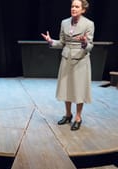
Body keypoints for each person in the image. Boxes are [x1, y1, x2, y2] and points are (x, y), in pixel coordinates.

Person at [41, 0, 94, 130]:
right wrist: (51, 41)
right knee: (66, 87)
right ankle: (68, 114)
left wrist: (84, 43)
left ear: (83, 10)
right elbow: (62, 42)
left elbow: (90, 46)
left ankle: (78, 117)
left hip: (80, 60)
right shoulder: (64, 22)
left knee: (79, 89)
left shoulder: (89, 24)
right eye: (72, 6)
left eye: (77, 6)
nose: (73, 8)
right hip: (66, 58)